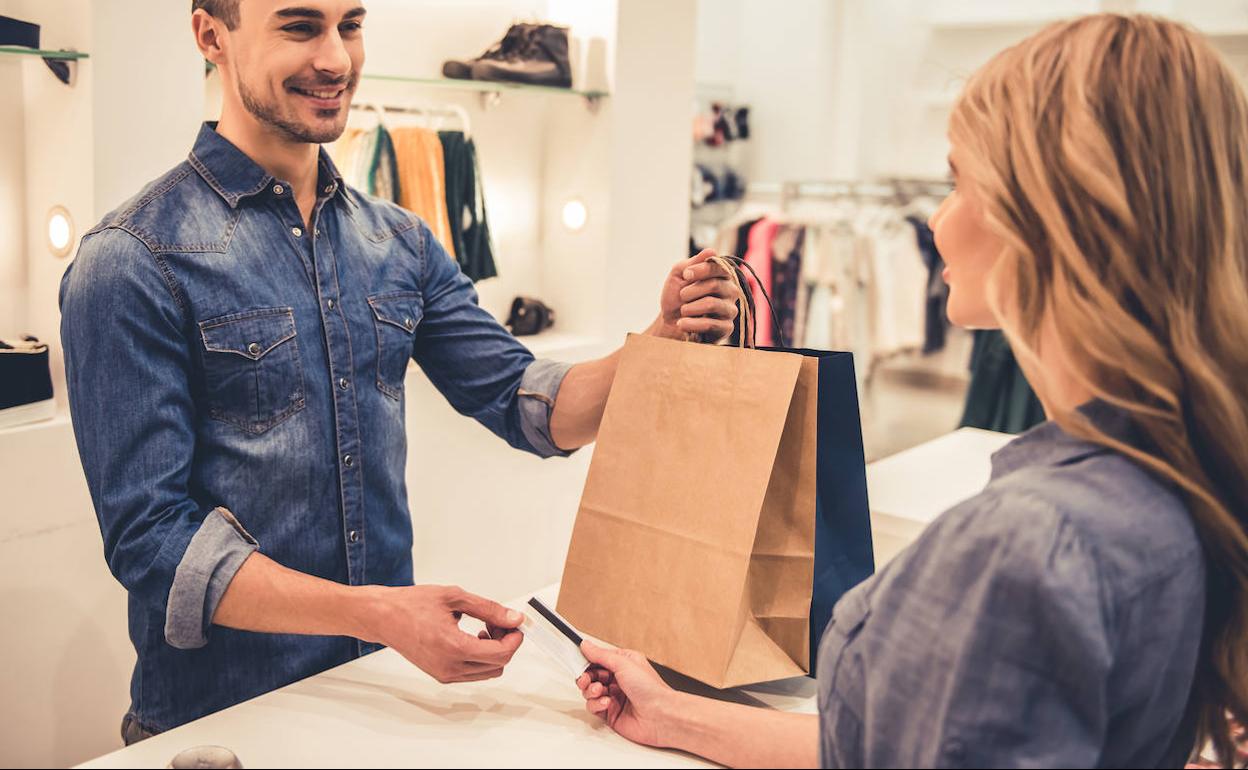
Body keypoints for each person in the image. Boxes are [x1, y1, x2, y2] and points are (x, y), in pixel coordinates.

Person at [575, 14, 1248, 768]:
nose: (934, 217)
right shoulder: (1180, 474)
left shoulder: (1031, 545)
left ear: (1052, 216)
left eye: (960, 182)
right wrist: (678, 718)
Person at [57, 0, 740, 743]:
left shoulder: (400, 242)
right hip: (219, 728)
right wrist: (381, 611)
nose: (336, 59)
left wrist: (662, 338)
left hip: (377, 701)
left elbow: (530, 404)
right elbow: (154, 542)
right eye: (299, 26)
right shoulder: (132, 260)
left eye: (349, 26)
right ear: (210, 36)